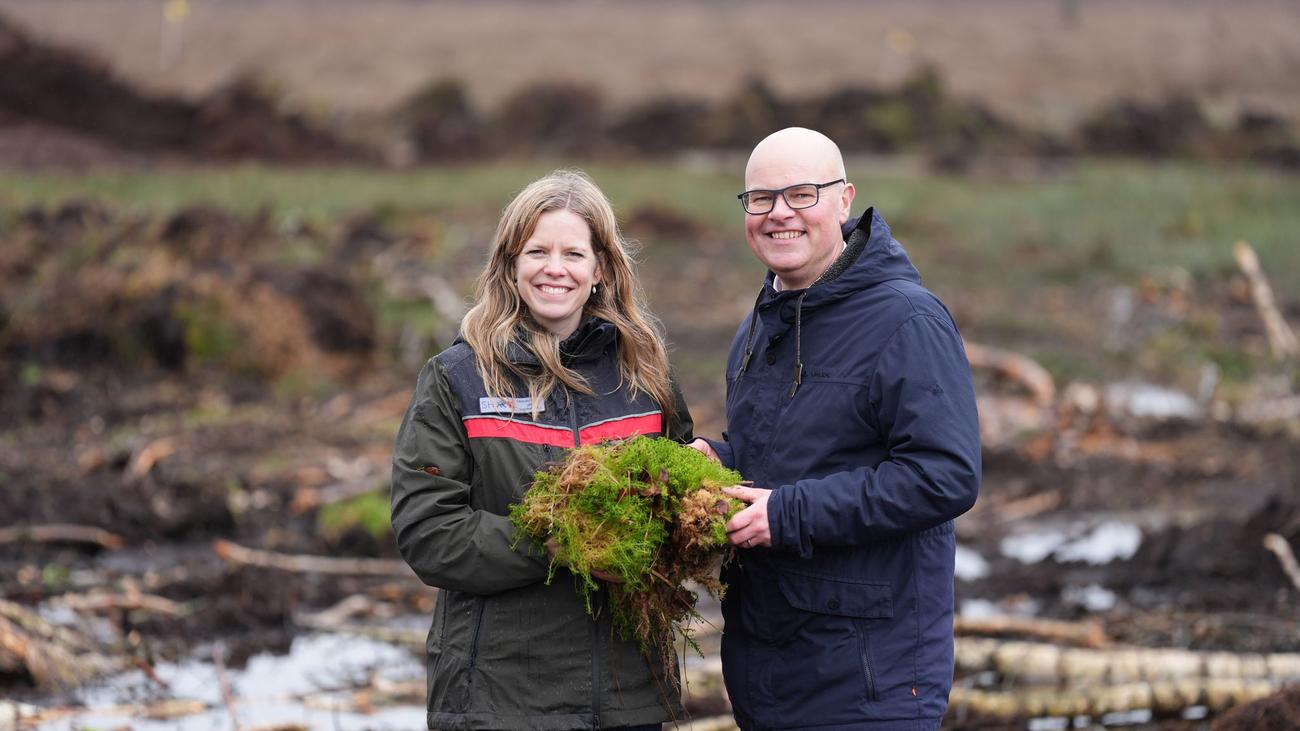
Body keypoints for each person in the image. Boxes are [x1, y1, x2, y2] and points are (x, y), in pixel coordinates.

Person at [690, 128, 981, 730]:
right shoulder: (760, 326)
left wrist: (788, 514)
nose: (779, 214)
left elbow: (944, 476)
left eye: (802, 194)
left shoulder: (907, 320)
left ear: (845, 200)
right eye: (761, 198)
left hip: (869, 680)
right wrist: (717, 463)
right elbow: (789, 460)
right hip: (770, 672)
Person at [390, 170, 693, 731]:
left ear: (600, 269)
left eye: (573, 253)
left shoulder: (644, 373)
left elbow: (676, 504)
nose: (556, 268)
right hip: (500, 701)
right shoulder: (458, 378)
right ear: (510, 264)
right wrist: (558, 543)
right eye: (537, 251)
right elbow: (428, 532)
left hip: (629, 698)